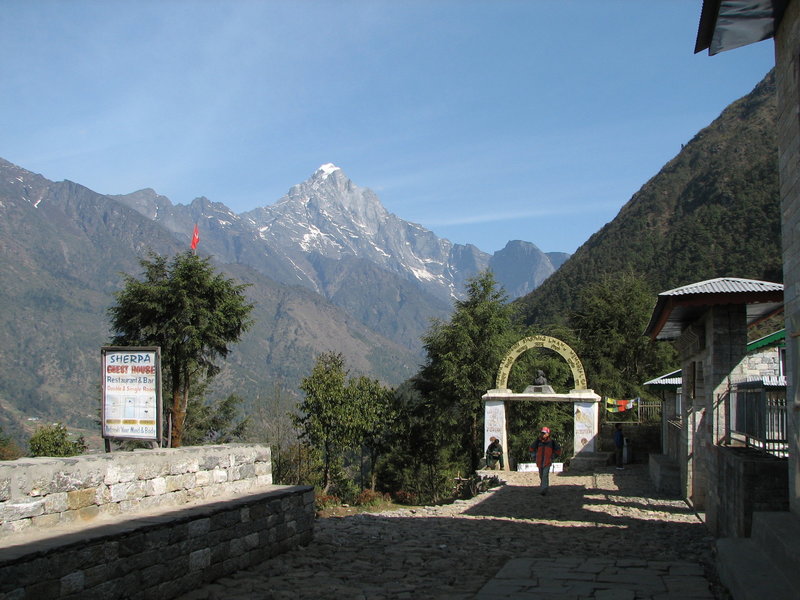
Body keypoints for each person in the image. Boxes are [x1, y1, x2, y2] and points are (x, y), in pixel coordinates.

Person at [529, 427, 561, 495]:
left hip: (547, 462)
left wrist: (553, 457)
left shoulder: (552, 442)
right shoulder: (538, 441)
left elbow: (558, 451)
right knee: (541, 475)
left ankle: (544, 488)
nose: (542, 434)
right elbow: (531, 448)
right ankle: (543, 486)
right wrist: (534, 456)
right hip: (539, 462)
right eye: (542, 433)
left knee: (545, 475)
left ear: (548, 434)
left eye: (544, 433)